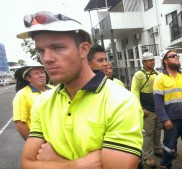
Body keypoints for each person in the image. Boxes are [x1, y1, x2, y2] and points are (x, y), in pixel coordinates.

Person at [16, 11, 143, 169]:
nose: (46, 58)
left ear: (84, 49)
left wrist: (53, 161)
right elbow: (27, 163)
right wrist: (75, 165)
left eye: (57, 48)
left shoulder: (120, 100)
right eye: (41, 51)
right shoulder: (43, 102)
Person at [153, 49, 182, 169]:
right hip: (171, 119)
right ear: (165, 61)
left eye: (177, 56)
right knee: (169, 145)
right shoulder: (160, 79)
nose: (176, 57)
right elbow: (158, 103)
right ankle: (166, 164)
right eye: (172, 56)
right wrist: (165, 119)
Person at [131, 51, 162, 168]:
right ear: (144, 62)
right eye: (150, 60)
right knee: (147, 134)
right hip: (147, 110)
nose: (152, 62)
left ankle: (158, 148)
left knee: (158, 130)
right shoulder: (139, 75)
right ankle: (148, 156)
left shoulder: (157, 74)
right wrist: (141, 108)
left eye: (153, 60)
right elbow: (134, 92)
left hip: (158, 108)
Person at [12, 63, 53, 140]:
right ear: (28, 78)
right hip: (42, 141)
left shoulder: (53, 89)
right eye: (36, 73)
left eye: (42, 72)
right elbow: (20, 124)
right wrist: (33, 144)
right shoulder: (22, 95)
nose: (41, 75)